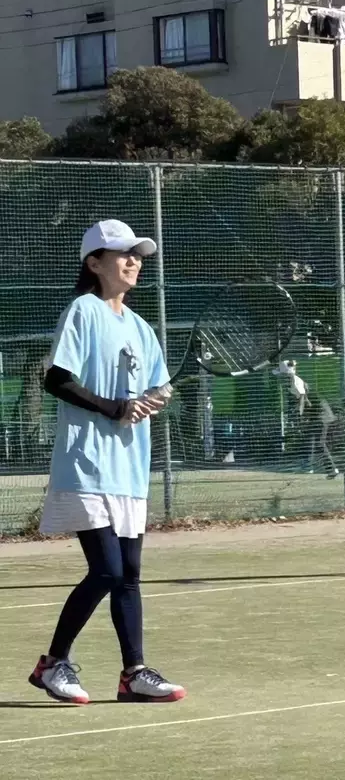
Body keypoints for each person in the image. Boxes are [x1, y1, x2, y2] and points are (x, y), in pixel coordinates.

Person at [29, 220, 186, 704]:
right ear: (94, 264)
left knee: (130, 576)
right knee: (107, 572)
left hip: (129, 469)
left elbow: (158, 387)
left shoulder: (140, 328)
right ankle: (52, 665)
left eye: (137, 254)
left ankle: (133, 674)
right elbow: (56, 379)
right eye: (121, 254)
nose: (133, 260)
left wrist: (153, 399)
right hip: (87, 464)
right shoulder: (83, 310)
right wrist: (114, 406)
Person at [273, 360, 339, 479]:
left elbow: (304, 400)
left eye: (280, 375)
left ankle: (331, 469)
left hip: (321, 414)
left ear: (286, 374)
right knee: (309, 439)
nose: (279, 379)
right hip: (316, 414)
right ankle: (309, 465)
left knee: (319, 443)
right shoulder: (292, 383)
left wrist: (299, 415)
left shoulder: (296, 382)